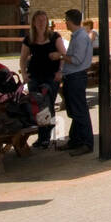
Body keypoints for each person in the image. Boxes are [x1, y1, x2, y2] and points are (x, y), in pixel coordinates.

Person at [20, 10, 65, 149]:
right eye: (38, 20)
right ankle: (42, 136)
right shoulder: (29, 39)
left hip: (51, 76)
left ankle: (46, 136)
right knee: (37, 107)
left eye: (43, 20)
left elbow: (64, 55)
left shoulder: (54, 37)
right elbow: (22, 58)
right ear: (33, 22)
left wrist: (60, 71)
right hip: (35, 76)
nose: (41, 22)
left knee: (47, 104)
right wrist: (24, 74)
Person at [60, 9, 94, 154]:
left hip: (76, 76)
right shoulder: (77, 36)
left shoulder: (80, 37)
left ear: (69, 20)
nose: (64, 23)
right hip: (72, 76)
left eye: (65, 20)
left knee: (80, 111)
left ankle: (86, 143)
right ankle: (75, 140)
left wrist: (61, 56)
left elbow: (77, 59)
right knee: (75, 111)